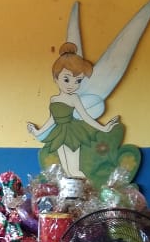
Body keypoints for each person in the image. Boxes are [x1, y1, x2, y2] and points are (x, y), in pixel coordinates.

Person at [26, 42, 120, 180]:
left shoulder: (74, 98)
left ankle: (86, 189)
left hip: (72, 133)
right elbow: (52, 119)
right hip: (59, 133)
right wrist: (37, 132)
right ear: (55, 78)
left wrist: (104, 128)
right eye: (66, 79)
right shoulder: (54, 99)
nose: (72, 85)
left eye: (78, 81)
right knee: (66, 171)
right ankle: (71, 192)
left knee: (75, 170)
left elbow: (86, 117)